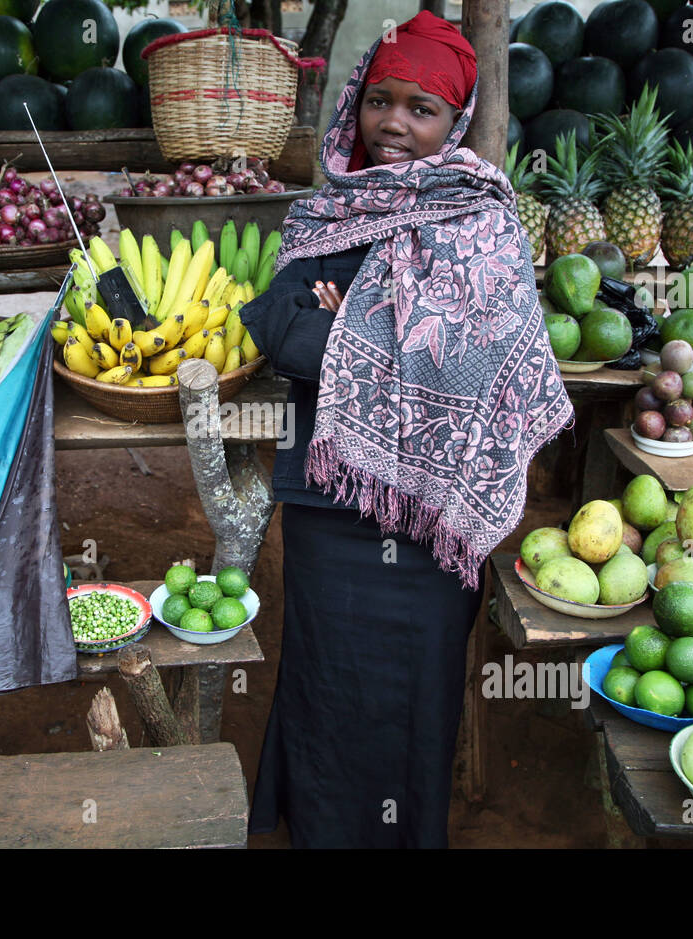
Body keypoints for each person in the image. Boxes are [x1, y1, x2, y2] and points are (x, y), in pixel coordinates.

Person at [240, 11, 574, 848]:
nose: (394, 123)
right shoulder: (327, 212)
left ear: (454, 121)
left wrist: (348, 325)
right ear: (356, 102)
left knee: (413, 694)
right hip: (327, 499)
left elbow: (501, 362)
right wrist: (399, 340)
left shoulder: (486, 223)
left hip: (435, 517)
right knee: (328, 678)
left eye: (421, 108)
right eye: (381, 100)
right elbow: (278, 325)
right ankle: (315, 824)